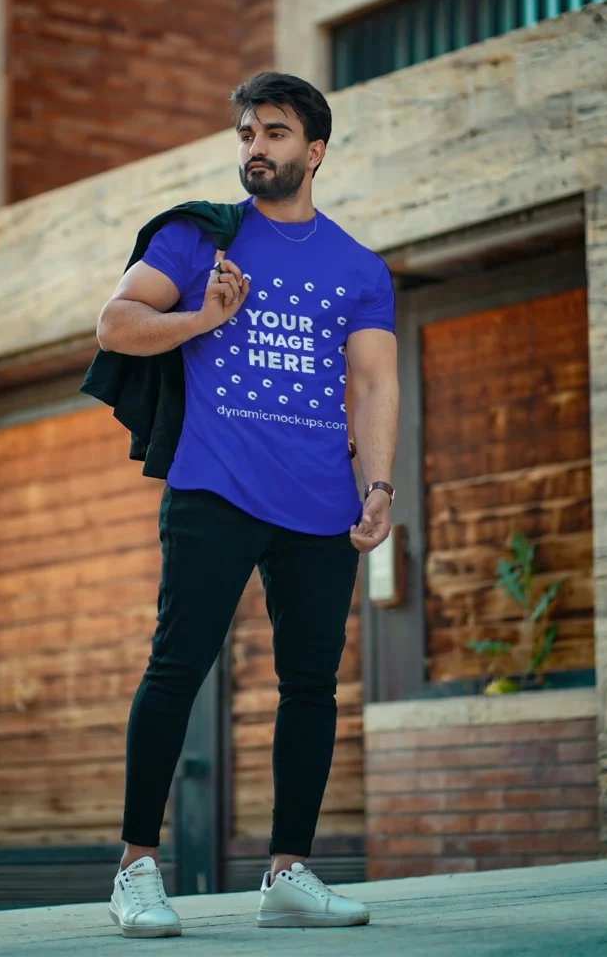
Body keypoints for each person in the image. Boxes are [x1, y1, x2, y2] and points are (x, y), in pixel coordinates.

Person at [97, 72, 399, 938]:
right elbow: (114, 324)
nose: (253, 147)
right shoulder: (201, 238)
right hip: (214, 485)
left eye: (272, 132)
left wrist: (377, 486)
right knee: (176, 668)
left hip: (317, 499)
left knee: (310, 687)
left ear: (314, 151)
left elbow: (374, 380)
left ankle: (287, 874)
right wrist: (200, 318)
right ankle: (136, 869)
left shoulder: (357, 267)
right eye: (244, 133)